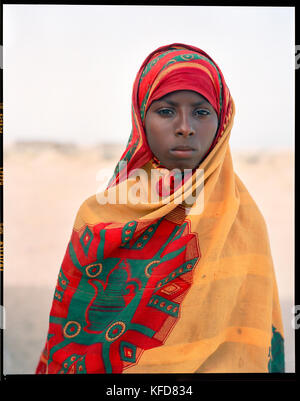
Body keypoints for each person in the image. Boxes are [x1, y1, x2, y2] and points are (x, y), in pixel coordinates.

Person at [36, 43, 285, 374]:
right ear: (141, 117)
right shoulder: (98, 221)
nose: (185, 126)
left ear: (222, 121)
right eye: (166, 111)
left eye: (201, 111)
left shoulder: (243, 221)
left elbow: (251, 336)